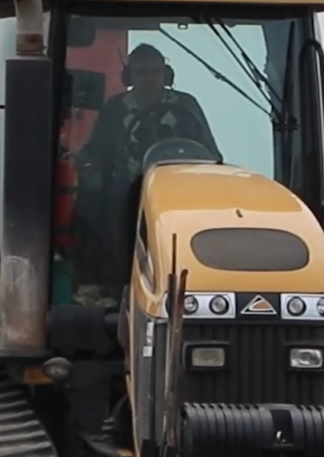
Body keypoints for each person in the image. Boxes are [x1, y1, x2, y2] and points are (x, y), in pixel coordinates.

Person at [67, 43, 221, 299]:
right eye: (142, 73)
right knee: (98, 200)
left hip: (180, 188)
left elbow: (209, 151)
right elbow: (95, 151)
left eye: (155, 72)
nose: (150, 79)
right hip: (128, 186)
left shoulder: (185, 106)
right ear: (129, 77)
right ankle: (111, 279)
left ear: (166, 74)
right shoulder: (116, 108)